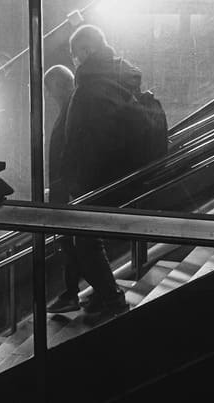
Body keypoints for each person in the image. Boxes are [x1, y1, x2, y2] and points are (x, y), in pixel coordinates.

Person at [60, 24, 140, 320]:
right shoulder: (121, 73)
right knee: (91, 239)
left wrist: (73, 177)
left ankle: (112, 299)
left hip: (98, 176)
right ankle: (102, 294)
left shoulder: (92, 84)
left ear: (87, 50)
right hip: (121, 170)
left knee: (85, 242)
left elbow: (82, 136)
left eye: (75, 55)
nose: (75, 62)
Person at [43, 64, 83, 314]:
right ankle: (74, 292)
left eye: (49, 88)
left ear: (58, 85)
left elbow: (70, 153)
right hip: (68, 190)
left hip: (70, 192)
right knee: (73, 245)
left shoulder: (72, 110)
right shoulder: (73, 108)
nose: (48, 95)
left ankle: (73, 294)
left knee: (73, 245)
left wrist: (65, 189)